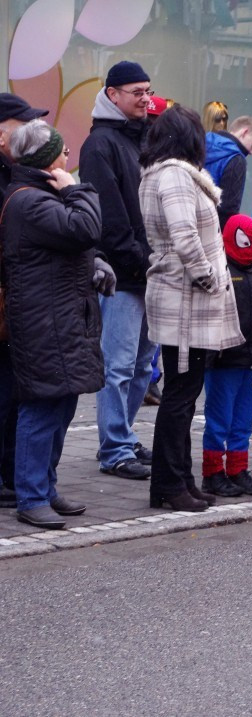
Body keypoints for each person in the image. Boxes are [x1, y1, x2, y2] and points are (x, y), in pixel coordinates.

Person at [2, 120, 112, 529]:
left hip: (59, 316)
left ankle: (44, 487)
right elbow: (84, 228)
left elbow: (75, 245)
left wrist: (97, 264)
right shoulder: (28, 200)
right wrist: (73, 188)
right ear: (49, 159)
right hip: (42, 321)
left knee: (61, 404)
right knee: (41, 406)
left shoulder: (36, 197)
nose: (70, 159)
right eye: (63, 152)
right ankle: (31, 496)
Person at [139, 105, 244, 512]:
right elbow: (184, 237)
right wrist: (209, 278)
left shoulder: (161, 174)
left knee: (183, 392)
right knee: (180, 396)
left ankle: (179, 478)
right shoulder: (175, 177)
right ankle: (169, 484)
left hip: (181, 297)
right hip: (185, 299)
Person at [79, 60, 155, 481]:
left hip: (149, 271)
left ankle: (122, 435)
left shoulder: (140, 138)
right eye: (137, 92)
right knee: (119, 365)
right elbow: (109, 216)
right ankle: (114, 448)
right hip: (125, 276)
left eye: (148, 90)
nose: (147, 98)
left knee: (143, 365)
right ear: (113, 95)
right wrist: (138, 262)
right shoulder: (100, 144)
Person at [199, 214, 252, 498]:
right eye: (247, 242)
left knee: (243, 420)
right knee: (219, 419)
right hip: (223, 361)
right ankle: (212, 473)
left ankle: (237, 469)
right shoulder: (218, 269)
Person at [0, 93, 49, 509]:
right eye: (23, 123)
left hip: (16, 299)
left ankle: (10, 474)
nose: (31, 131)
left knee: (12, 390)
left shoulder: (19, 174)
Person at [205, 115, 252, 228]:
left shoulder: (202, 141)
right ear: (244, 132)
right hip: (212, 229)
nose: (251, 152)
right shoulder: (237, 159)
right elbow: (228, 208)